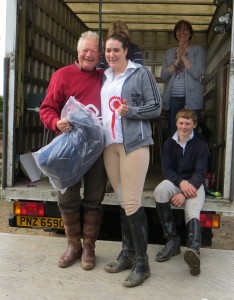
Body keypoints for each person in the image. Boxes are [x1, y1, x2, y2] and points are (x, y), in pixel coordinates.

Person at [39, 31, 107, 271]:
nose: (89, 55)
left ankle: (89, 246)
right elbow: (46, 109)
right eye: (84, 50)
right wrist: (56, 122)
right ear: (77, 52)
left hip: (97, 147)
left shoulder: (105, 78)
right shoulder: (62, 75)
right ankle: (73, 245)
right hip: (68, 147)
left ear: (100, 55)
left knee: (93, 198)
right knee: (67, 198)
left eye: (94, 51)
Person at [101, 33, 162, 287]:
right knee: (122, 199)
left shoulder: (140, 74)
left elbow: (157, 106)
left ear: (126, 50)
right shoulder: (105, 76)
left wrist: (131, 111)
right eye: (108, 50)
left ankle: (142, 263)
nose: (111, 55)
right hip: (110, 146)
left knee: (133, 202)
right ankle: (126, 254)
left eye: (116, 50)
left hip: (133, 145)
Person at [154, 109, 209, 276]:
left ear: (194, 125)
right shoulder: (169, 144)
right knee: (160, 191)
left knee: (192, 211)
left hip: (194, 184)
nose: (183, 127)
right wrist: (180, 184)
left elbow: (200, 173)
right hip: (177, 181)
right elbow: (167, 169)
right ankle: (172, 241)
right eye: (181, 123)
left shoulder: (200, 145)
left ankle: (194, 251)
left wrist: (184, 193)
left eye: (187, 123)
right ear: (176, 123)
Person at [161, 20, 206, 136]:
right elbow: (164, 76)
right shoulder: (169, 52)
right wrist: (176, 61)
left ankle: (190, 155)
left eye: (185, 29)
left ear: (190, 33)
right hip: (173, 99)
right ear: (175, 34)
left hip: (192, 99)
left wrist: (183, 56)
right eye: (179, 29)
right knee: (174, 132)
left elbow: (197, 73)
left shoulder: (198, 50)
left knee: (191, 134)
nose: (182, 32)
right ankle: (175, 154)